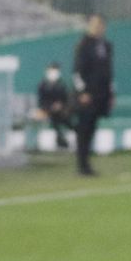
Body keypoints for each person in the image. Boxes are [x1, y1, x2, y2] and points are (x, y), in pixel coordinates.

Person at [73, 13, 113, 176]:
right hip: (87, 95)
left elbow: (108, 71)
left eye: (100, 25)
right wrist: (82, 92)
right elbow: (77, 71)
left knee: (92, 128)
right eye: (94, 24)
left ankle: (87, 163)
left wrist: (110, 92)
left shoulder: (106, 46)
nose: (97, 28)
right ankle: (82, 165)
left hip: (100, 95)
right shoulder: (83, 45)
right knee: (84, 129)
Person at [35, 62, 74, 150]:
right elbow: (41, 101)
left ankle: (63, 139)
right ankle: (61, 140)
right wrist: (50, 107)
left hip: (61, 111)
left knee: (61, 118)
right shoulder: (43, 85)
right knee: (55, 118)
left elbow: (66, 99)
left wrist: (60, 105)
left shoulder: (62, 85)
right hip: (47, 110)